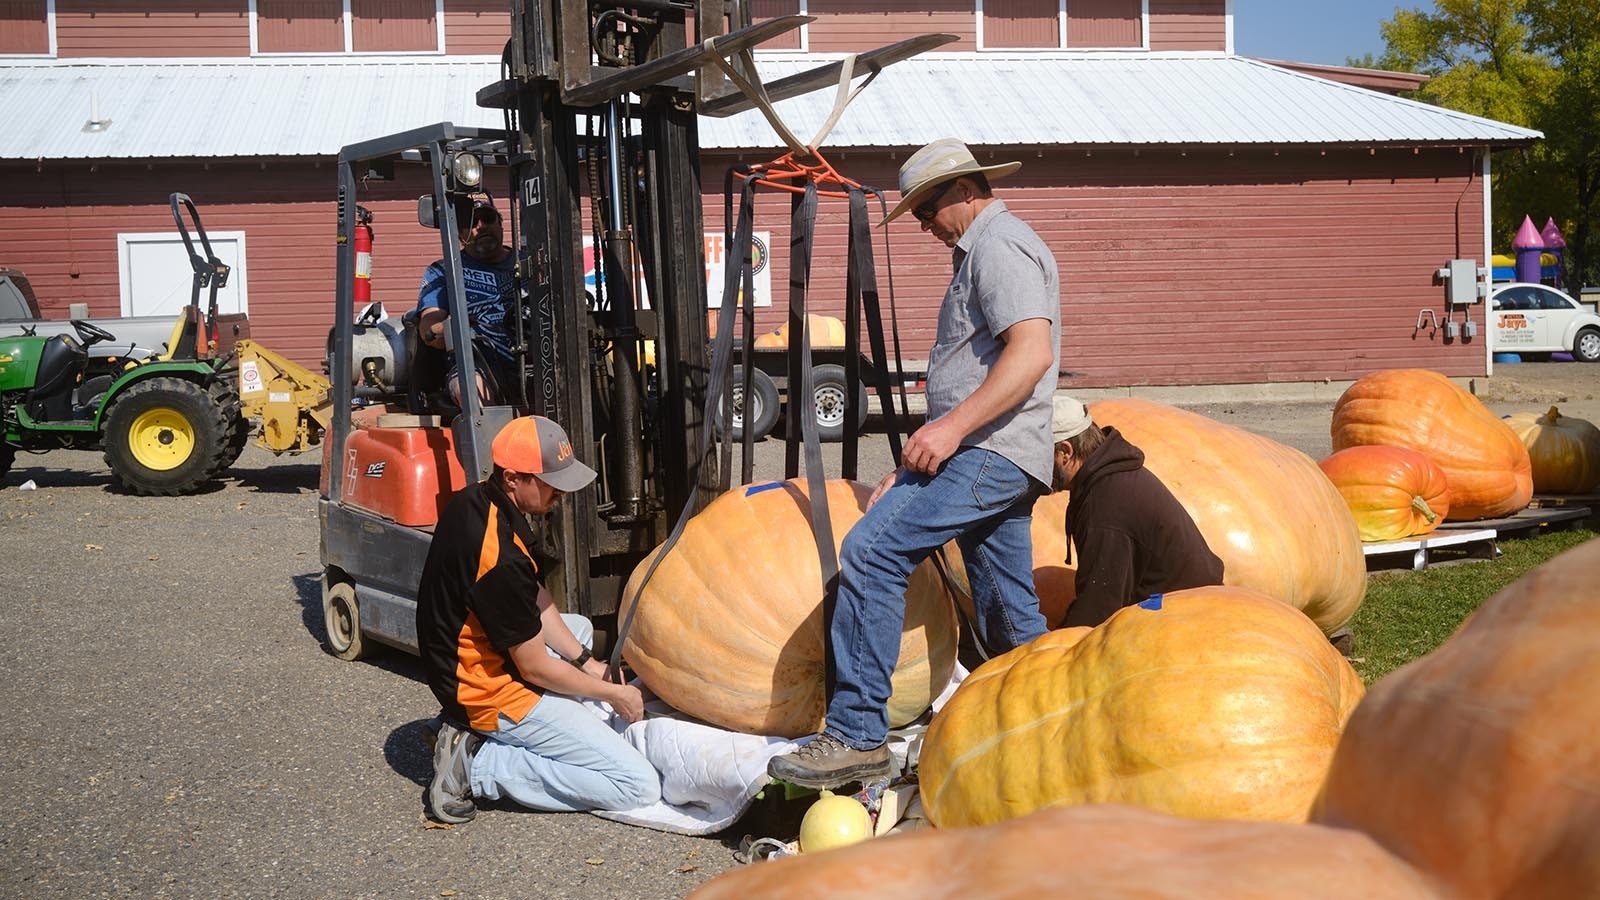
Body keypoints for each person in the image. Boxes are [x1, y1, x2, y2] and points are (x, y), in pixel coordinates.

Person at [767, 138, 1061, 790]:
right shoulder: (984, 249)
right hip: (983, 450)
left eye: (926, 211)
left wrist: (951, 428)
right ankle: (1056, 727)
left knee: (872, 552)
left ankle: (857, 736)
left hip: (988, 450)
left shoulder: (1000, 245)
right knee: (1006, 611)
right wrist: (917, 466)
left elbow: (1031, 352)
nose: (925, 227)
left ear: (960, 190)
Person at [416, 415, 659, 823]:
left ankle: (472, 733)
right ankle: (477, 764)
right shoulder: (497, 559)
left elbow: (534, 594)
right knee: (637, 785)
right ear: (513, 479)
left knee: (577, 628)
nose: (560, 494)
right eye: (551, 483)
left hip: (460, 658)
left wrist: (588, 663)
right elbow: (535, 668)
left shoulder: (481, 500)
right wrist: (614, 695)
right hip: (482, 690)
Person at [1049, 396, 1225, 628]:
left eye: (1036, 456)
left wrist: (1051, 650)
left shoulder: (1105, 505)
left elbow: (1098, 609)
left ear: (1065, 452)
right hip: (1179, 605)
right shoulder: (1106, 475)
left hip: (1188, 622)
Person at [416, 193, 518, 404]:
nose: (481, 226)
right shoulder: (443, 271)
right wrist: (449, 329)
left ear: (501, 224)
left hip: (533, 358)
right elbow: (429, 324)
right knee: (472, 391)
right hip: (476, 363)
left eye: (488, 218)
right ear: (459, 234)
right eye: (470, 222)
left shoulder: (530, 262)